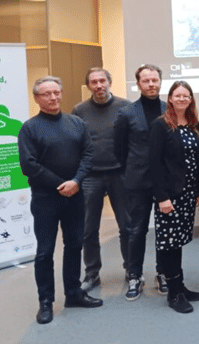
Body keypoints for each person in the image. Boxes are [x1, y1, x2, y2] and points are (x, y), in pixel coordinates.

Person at [19, 76, 102, 325]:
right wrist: (60, 184)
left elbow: (88, 154)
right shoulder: (30, 128)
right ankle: (46, 302)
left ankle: (73, 293)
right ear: (37, 98)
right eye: (46, 94)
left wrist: (76, 181)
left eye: (56, 92)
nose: (53, 97)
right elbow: (29, 165)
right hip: (45, 198)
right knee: (44, 252)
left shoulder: (76, 123)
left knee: (75, 245)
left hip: (75, 195)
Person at [148, 81, 199, 313]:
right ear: (170, 98)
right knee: (169, 243)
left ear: (191, 99)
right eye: (177, 95)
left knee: (179, 241)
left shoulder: (193, 124)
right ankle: (173, 293)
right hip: (169, 197)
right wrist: (162, 197)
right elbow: (154, 164)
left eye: (186, 95)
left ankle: (180, 285)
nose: (182, 99)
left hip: (188, 195)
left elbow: (198, 159)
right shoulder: (160, 126)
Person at [72, 68, 131, 293]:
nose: (99, 85)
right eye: (94, 82)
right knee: (88, 229)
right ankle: (92, 273)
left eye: (102, 81)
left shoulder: (125, 107)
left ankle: (131, 269)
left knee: (126, 226)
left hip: (120, 174)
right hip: (91, 175)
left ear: (109, 82)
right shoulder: (79, 110)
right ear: (88, 86)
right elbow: (75, 142)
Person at [114, 64, 167, 300]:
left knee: (166, 230)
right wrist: (129, 173)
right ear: (138, 84)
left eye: (155, 80)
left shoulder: (170, 109)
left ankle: (163, 272)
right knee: (136, 230)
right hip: (137, 180)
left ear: (160, 81)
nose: (151, 84)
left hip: (165, 181)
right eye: (146, 81)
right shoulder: (127, 113)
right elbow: (119, 149)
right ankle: (135, 274)